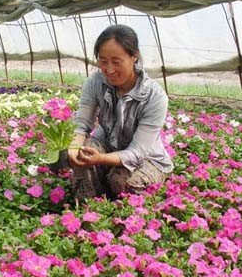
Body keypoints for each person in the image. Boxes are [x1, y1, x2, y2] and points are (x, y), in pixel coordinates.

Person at [66, 24, 173, 201]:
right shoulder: (95, 82)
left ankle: (126, 215)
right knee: (82, 154)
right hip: (107, 148)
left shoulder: (155, 96)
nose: (109, 69)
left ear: (134, 57)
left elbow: (137, 152)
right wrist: (74, 147)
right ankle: (88, 210)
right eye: (103, 61)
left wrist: (101, 159)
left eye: (116, 62)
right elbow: (82, 124)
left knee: (122, 180)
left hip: (147, 159)